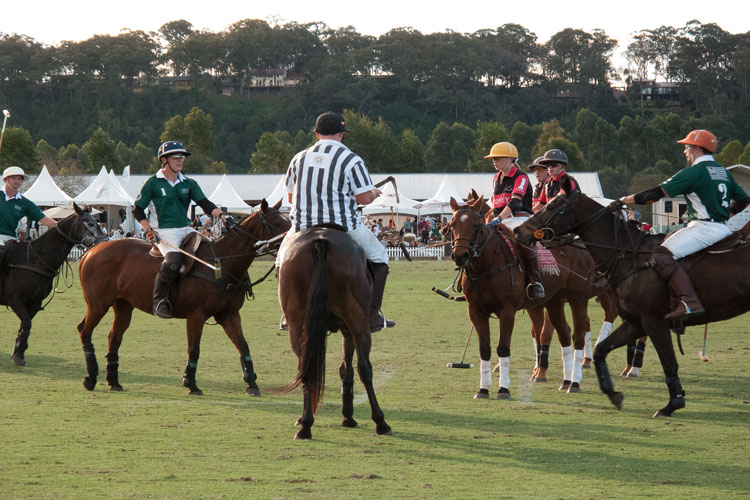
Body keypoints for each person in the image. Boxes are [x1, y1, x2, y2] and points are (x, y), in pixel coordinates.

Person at [277, 112, 395, 333]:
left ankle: (287, 314)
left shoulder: (298, 158)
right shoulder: (351, 159)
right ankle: (371, 314)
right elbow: (363, 198)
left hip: (302, 227)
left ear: (316, 133)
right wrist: (375, 193)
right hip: (344, 226)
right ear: (341, 134)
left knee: (281, 263)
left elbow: (291, 198)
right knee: (380, 258)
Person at [617, 129, 749, 320]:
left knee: (660, 254)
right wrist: (726, 213)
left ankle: (689, 301)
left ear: (696, 149)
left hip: (704, 228)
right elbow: (744, 201)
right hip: (723, 229)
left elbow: (654, 195)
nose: (684, 152)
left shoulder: (693, 172)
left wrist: (623, 200)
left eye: (686, 147)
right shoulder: (723, 172)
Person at [133, 141, 224, 319]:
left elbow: (205, 204)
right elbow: (137, 210)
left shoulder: (188, 183)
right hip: (164, 231)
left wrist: (220, 215)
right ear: (164, 160)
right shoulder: (152, 183)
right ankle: (159, 300)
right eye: (176, 157)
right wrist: (149, 229)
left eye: (182, 157)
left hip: (185, 228)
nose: (180, 160)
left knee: (213, 250)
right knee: (173, 260)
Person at [484, 142, 545, 299]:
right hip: (501, 220)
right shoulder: (496, 178)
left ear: (511, 159)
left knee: (521, 240)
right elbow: (495, 203)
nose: (494, 161)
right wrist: (490, 217)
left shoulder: (521, 177)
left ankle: (535, 281)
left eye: (498, 158)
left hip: (519, 219)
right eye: (493, 159)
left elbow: (515, 203)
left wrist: (499, 218)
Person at [0, 167, 58, 269]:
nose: (17, 181)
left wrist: (64, 228)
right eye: (14, 178)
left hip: (10, 239)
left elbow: (45, 220)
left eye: (19, 179)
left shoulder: (25, 203)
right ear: (5, 179)